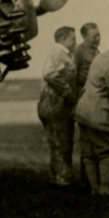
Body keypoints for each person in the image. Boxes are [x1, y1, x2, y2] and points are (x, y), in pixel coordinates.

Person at [74, 33, 109, 196]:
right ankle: (104, 188)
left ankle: (94, 188)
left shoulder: (100, 57)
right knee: (107, 150)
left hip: (84, 111)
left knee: (89, 152)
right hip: (100, 113)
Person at [37, 26, 78, 187]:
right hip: (55, 107)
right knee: (60, 144)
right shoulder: (57, 53)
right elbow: (48, 73)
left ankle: (61, 178)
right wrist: (67, 92)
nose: (75, 42)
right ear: (63, 39)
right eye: (73, 39)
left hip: (58, 107)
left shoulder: (64, 54)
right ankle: (62, 180)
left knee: (61, 143)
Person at [74, 23, 101, 92]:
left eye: (98, 35)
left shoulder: (96, 50)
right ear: (84, 37)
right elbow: (73, 75)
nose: (98, 38)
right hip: (83, 91)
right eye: (94, 36)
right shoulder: (78, 51)